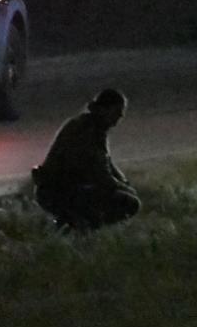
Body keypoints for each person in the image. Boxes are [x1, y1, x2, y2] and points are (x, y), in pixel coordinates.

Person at [32, 88, 141, 231]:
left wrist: (123, 181)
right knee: (129, 203)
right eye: (115, 114)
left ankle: (73, 226)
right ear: (103, 110)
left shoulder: (94, 127)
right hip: (57, 191)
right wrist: (123, 187)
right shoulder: (85, 131)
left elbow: (107, 162)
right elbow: (100, 173)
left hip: (64, 188)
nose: (117, 120)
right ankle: (79, 227)